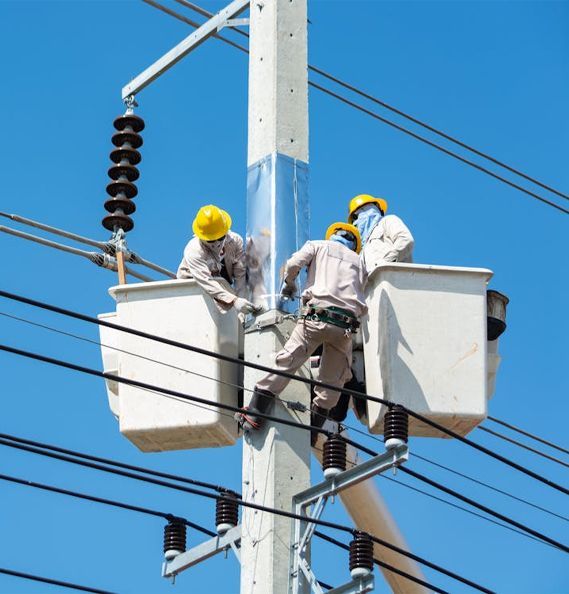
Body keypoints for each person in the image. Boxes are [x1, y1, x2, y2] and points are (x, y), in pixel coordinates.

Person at [236, 222, 368, 441]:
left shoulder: (317, 245)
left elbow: (293, 264)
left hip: (316, 317)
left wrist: (290, 283)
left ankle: (255, 413)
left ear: (332, 235)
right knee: (332, 383)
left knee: (287, 361)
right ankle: (314, 432)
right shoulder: (359, 262)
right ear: (354, 244)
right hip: (344, 327)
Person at [177, 204, 258, 317]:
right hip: (192, 291)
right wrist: (234, 301)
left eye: (220, 237)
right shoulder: (194, 250)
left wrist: (241, 304)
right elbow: (205, 281)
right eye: (210, 241)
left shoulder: (235, 241)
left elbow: (240, 276)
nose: (216, 243)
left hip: (222, 290)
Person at [348, 194, 414, 274]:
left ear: (367, 210)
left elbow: (405, 240)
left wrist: (385, 263)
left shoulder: (387, 221)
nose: (355, 223)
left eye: (355, 217)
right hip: (377, 284)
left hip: (398, 280)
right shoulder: (362, 251)